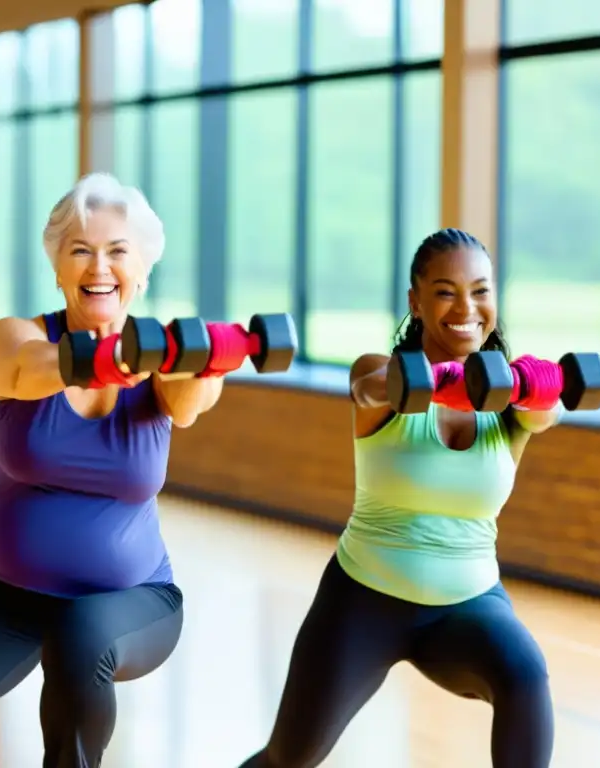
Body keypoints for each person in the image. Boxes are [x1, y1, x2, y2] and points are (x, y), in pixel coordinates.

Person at [0, 172, 241, 767]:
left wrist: (205, 360)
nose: (99, 266)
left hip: (132, 598)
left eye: (118, 252)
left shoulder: (163, 357)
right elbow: (31, 366)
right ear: (59, 269)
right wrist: (111, 358)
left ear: (142, 271)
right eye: (81, 251)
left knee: (80, 635)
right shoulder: (18, 339)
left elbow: (190, 402)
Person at [237, 227, 558, 768]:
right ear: (415, 301)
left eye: (481, 291)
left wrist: (533, 383)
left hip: (468, 604)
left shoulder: (510, 402)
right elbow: (368, 386)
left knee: (525, 677)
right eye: (445, 291)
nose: (467, 308)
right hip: (364, 599)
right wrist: (454, 379)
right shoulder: (379, 374)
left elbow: (545, 410)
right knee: (287, 758)